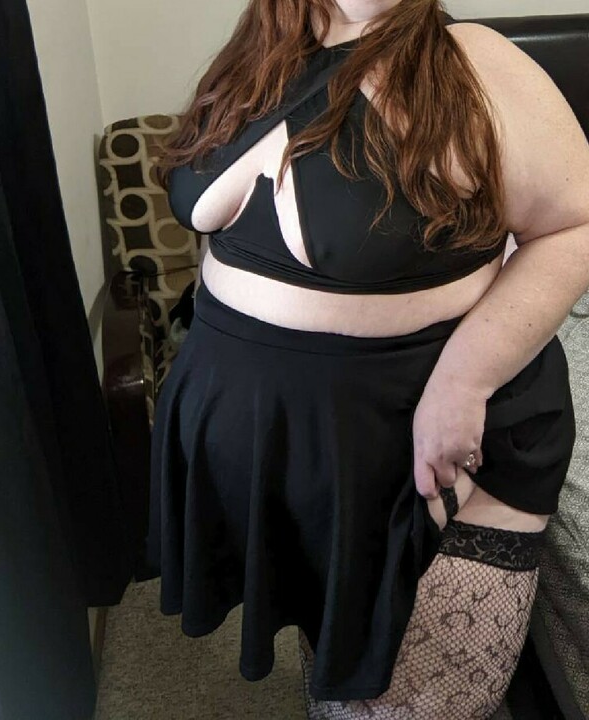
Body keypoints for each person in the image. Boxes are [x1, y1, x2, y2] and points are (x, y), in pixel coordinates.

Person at [145, 1, 589, 717]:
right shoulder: (263, 51)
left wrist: (464, 382)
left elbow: (577, 222)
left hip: (419, 454)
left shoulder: (472, 65)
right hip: (289, 457)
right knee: (334, 673)